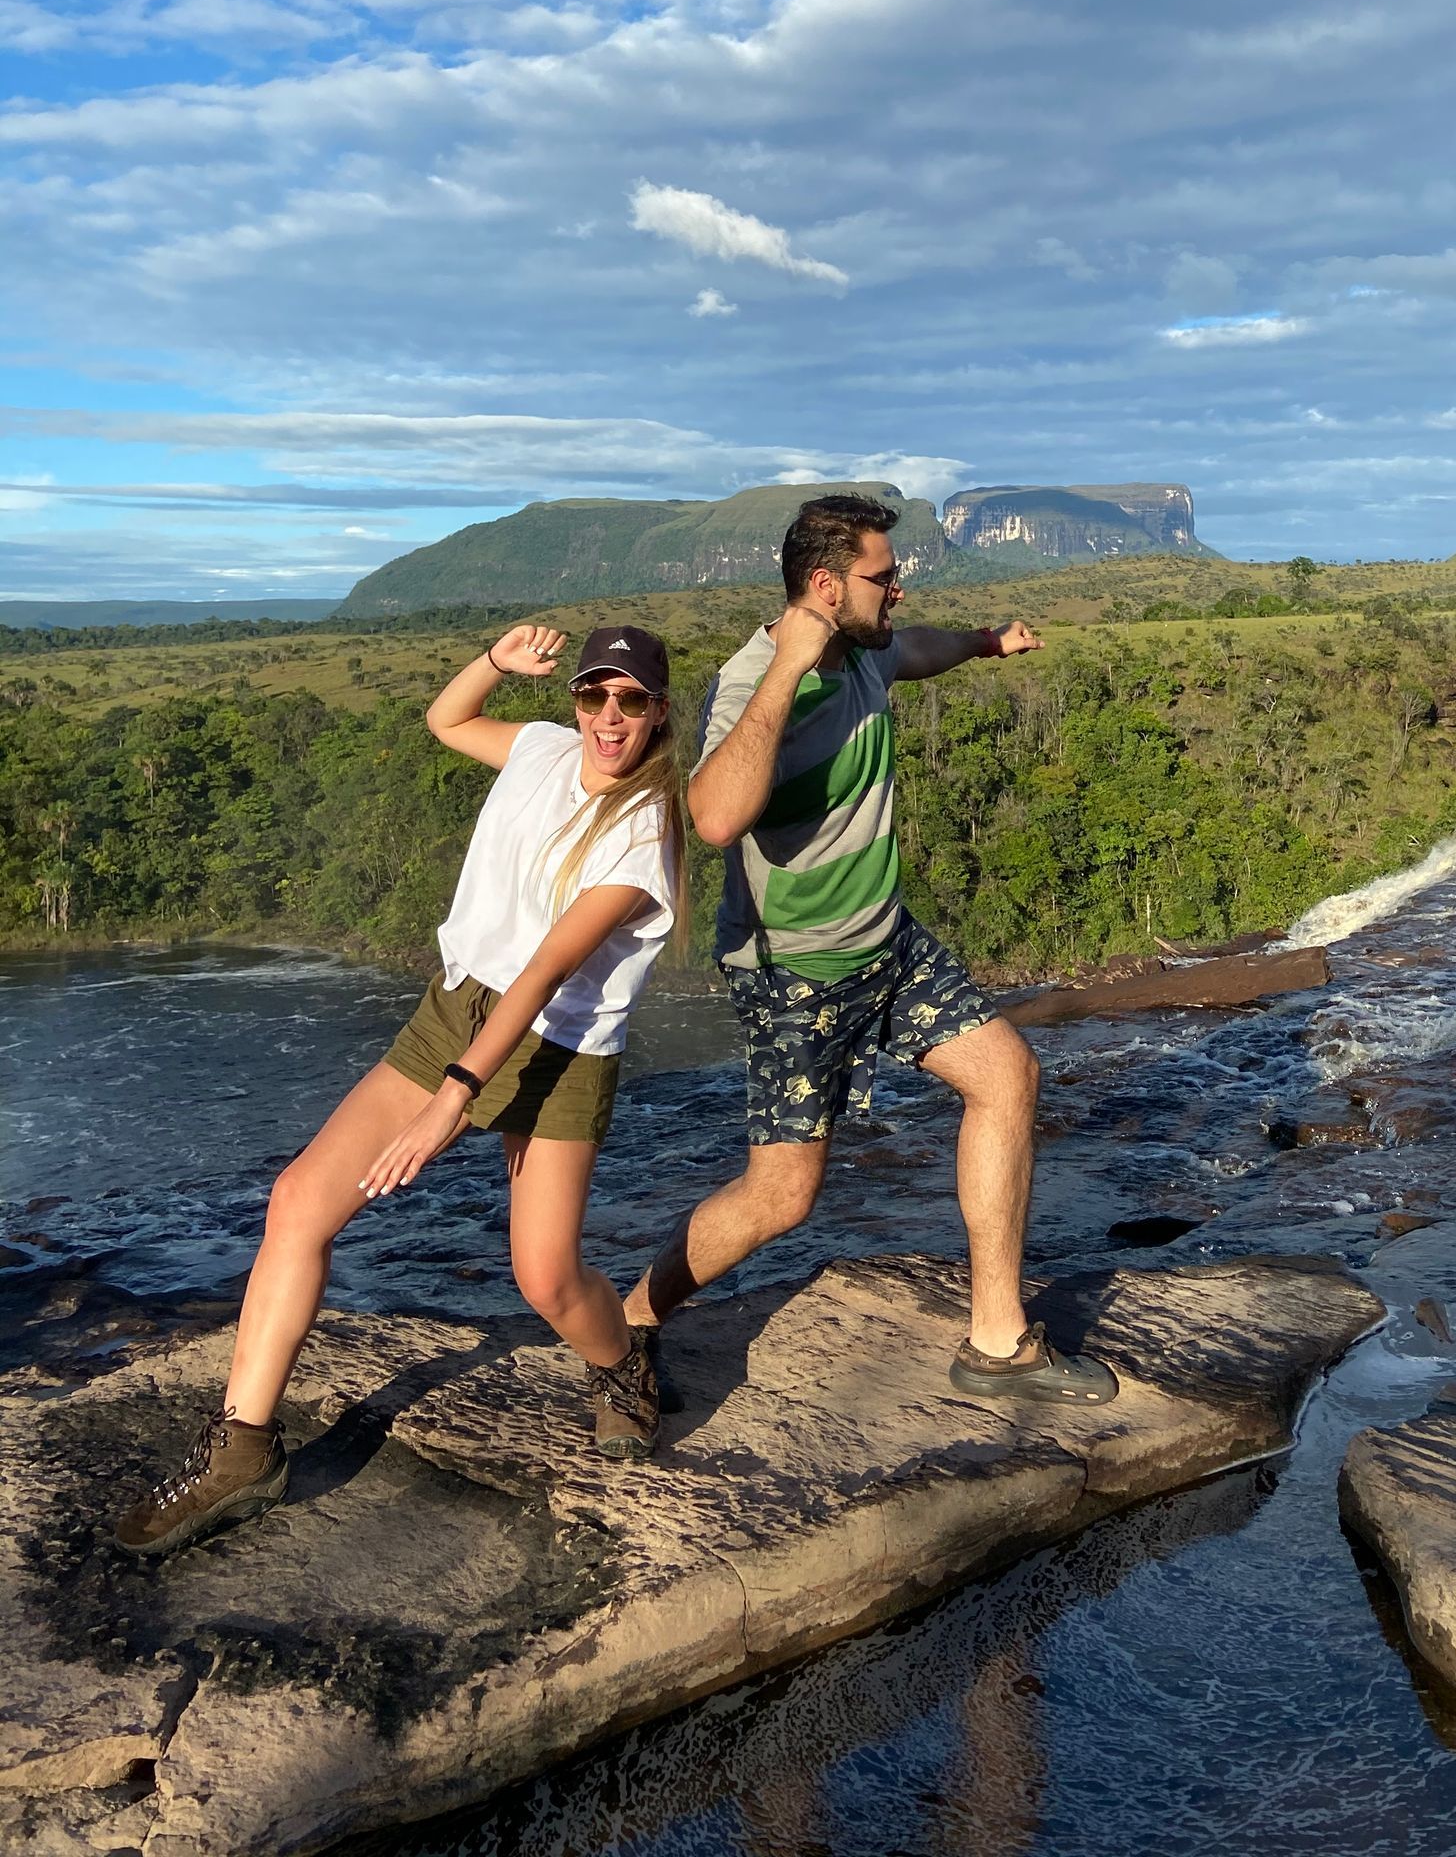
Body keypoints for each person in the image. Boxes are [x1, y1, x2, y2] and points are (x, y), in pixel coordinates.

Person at [113, 620, 683, 1558]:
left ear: (659, 714)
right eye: (594, 695)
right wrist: (496, 662)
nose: (609, 717)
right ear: (575, 699)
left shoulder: (644, 830)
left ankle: (621, 1363)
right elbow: (447, 718)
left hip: (560, 1048)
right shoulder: (542, 750)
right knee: (297, 1201)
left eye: (631, 701)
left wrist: (448, 1100)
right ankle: (242, 1452)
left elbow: (544, 972)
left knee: (544, 1276)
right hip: (457, 1008)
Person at [623, 493, 1116, 1405]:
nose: (899, 588)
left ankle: (998, 1342)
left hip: (885, 943)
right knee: (782, 1197)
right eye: (883, 577)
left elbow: (916, 648)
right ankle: (631, 1324)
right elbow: (717, 815)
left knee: (1006, 1076)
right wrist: (787, 669)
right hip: (795, 971)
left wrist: (984, 640)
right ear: (823, 586)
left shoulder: (869, 648)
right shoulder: (750, 685)